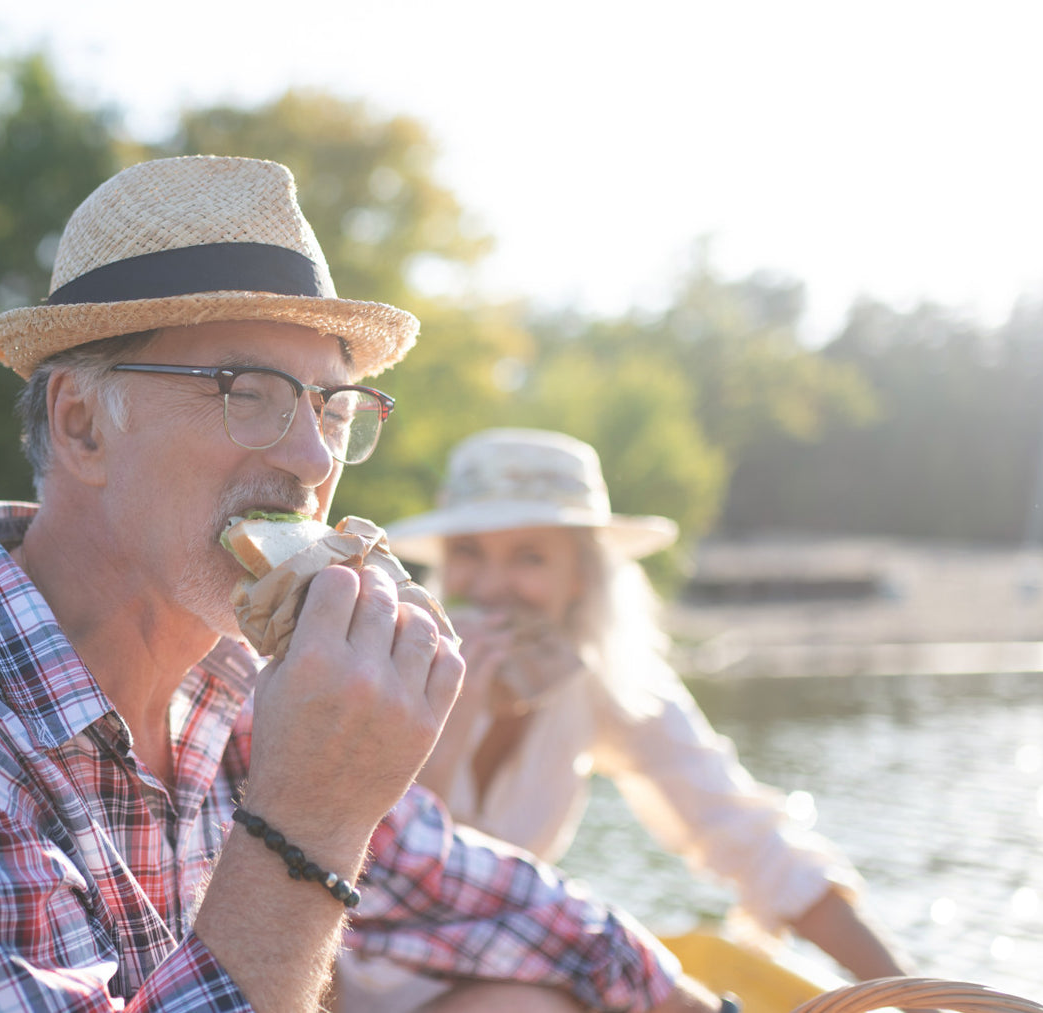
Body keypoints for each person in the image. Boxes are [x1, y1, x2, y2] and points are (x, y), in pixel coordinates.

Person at [0, 156, 724, 1013]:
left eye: (331, 405)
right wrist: (308, 818)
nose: (306, 457)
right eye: (245, 391)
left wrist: (697, 1002)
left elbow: (460, 886)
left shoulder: (237, 676)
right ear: (80, 424)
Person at [336, 427, 917, 1012]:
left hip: (496, 981)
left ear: (580, 577)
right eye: (469, 553)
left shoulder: (604, 684)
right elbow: (378, 869)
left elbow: (750, 838)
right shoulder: (382, 662)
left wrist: (914, 995)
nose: (489, 589)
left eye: (530, 557)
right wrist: (451, 715)